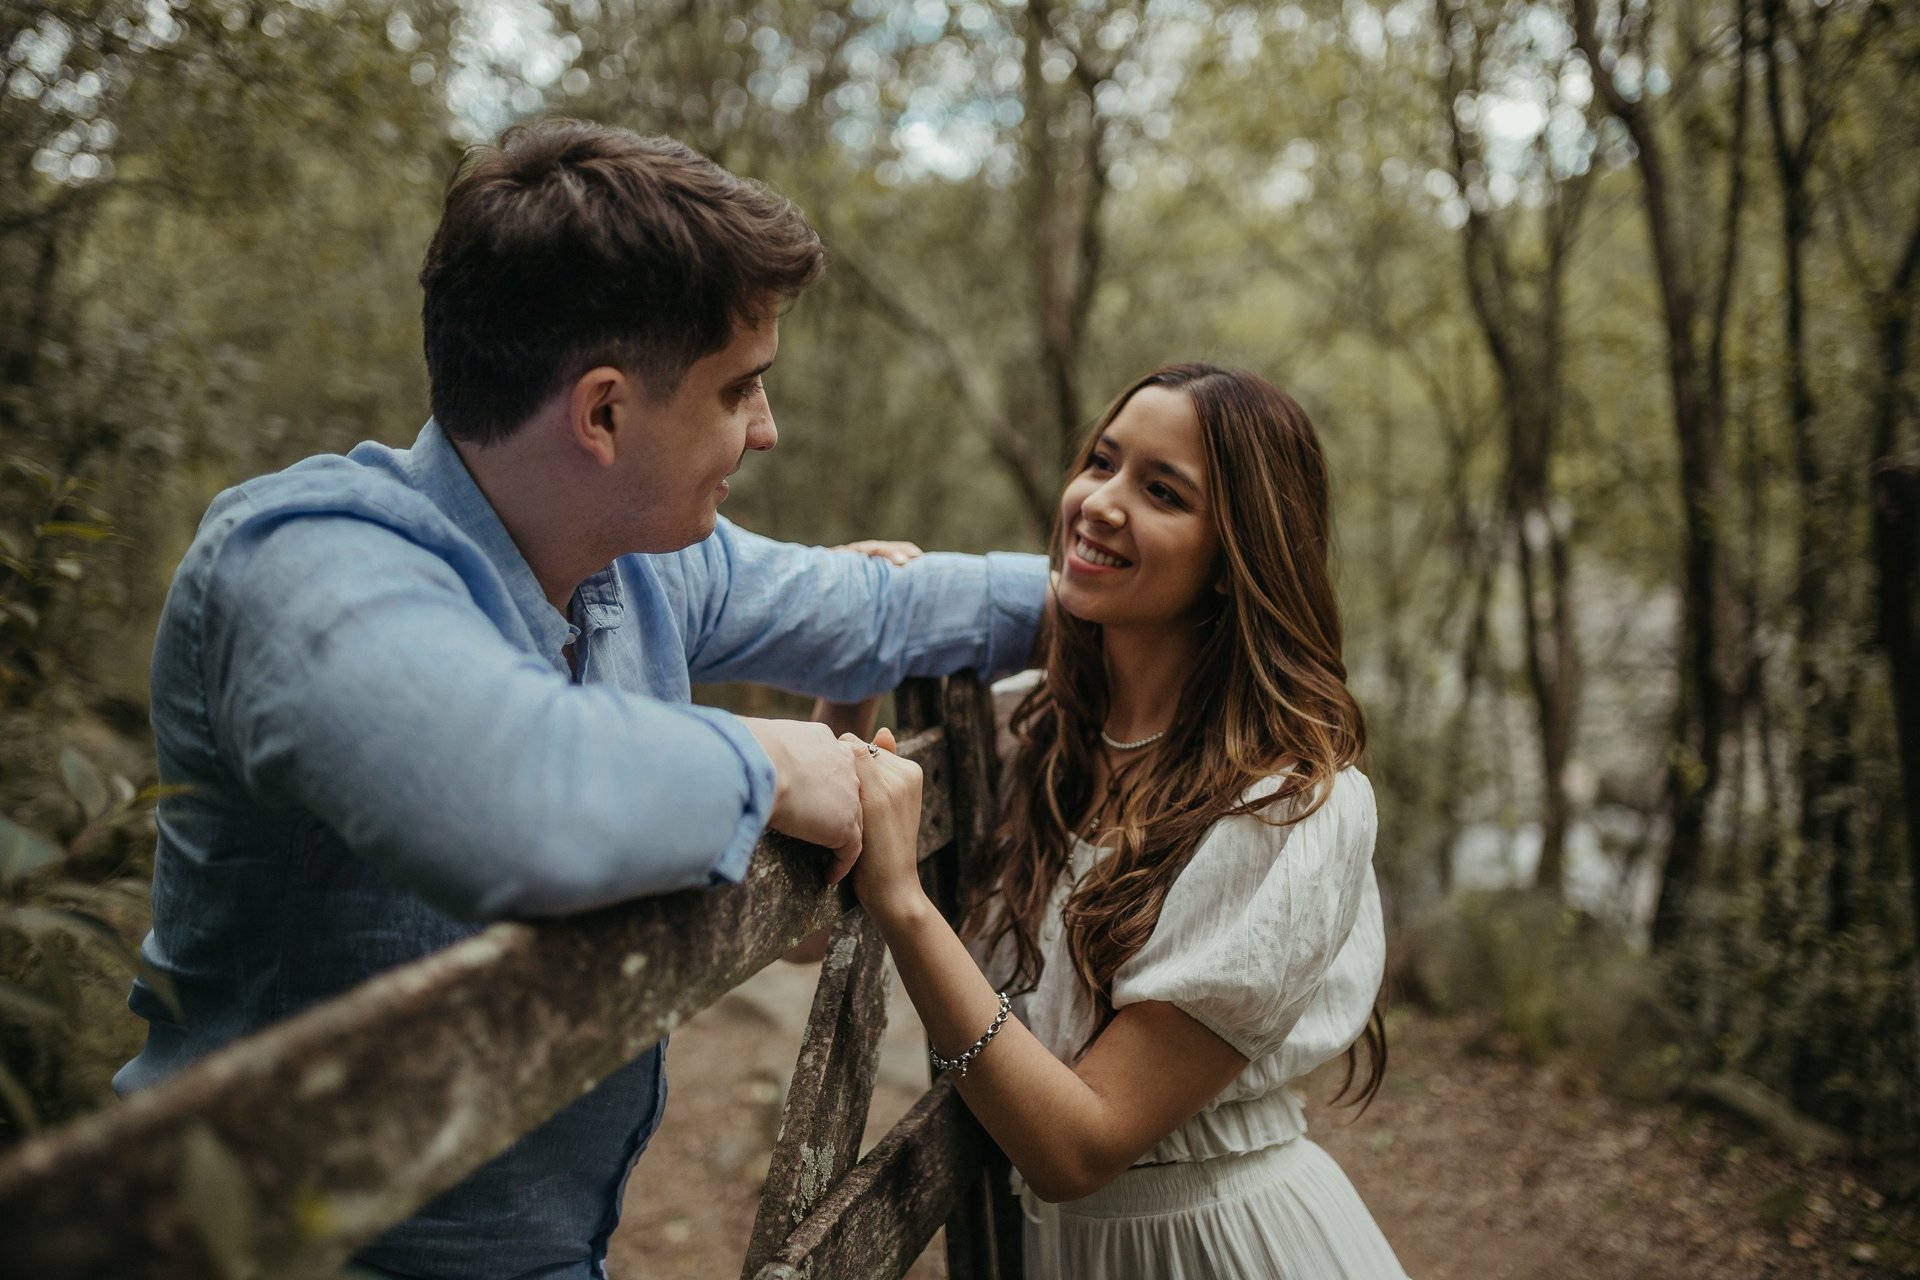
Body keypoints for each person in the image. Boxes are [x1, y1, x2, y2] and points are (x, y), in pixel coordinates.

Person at [114, 119, 1048, 1280]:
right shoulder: (299, 565)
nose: (767, 429)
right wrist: (768, 762)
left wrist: (1110, 597)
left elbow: (875, 609)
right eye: (740, 390)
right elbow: (514, 793)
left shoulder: (641, 561)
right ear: (603, 412)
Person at [843, 363, 1408, 1277]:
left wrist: (906, 904)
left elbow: (1079, 1148)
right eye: (1102, 463)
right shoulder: (1030, 733)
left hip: (1217, 1249)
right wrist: (857, 651)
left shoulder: (1290, 807)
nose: (1099, 503)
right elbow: (808, 924)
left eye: (1161, 491)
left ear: (1235, 561)